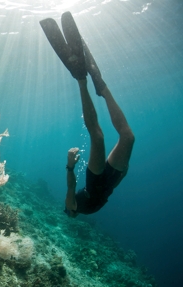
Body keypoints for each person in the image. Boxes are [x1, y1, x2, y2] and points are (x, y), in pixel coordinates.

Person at [39, 12, 135, 217]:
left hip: (96, 178)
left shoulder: (72, 207)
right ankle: (100, 85)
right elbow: (109, 192)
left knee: (97, 137)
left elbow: (71, 189)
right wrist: (122, 174)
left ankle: (81, 80)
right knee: (128, 137)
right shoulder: (85, 212)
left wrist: (70, 166)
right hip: (111, 178)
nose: (70, 215)